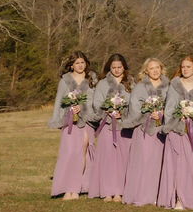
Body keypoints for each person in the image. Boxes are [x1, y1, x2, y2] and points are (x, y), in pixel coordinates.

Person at [158, 56, 193, 210]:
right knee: (176, 164)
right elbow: (169, 107)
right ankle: (178, 199)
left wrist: (192, 115)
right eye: (183, 67)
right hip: (176, 129)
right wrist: (178, 117)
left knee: (192, 165)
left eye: (188, 66)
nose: (185, 69)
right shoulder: (174, 84)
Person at [46, 51, 96, 199]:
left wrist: (83, 107)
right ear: (71, 65)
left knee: (84, 149)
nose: (80, 65)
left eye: (82, 62)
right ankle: (70, 187)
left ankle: (79, 187)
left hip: (87, 120)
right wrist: (66, 112)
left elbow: (95, 100)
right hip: (70, 122)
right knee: (70, 153)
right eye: (77, 63)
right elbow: (59, 101)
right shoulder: (65, 81)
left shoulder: (92, 79)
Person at [87, 53, 134, 202]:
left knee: (123, 159)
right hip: (107, 125)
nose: (117, 70)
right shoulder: (102, 83)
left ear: (124, 67)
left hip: (124, 127)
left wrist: (124, 113)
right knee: (107, 159)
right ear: (109, 67)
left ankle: (120, 192)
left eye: (119, 67)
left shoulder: (131, 82)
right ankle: (107, 191)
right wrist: (106, 109)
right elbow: (96, 102)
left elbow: (135, 103)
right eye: (113, 67)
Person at [122, 58, 169, 207]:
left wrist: (162, 114)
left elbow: (173, 105)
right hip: (143, 129)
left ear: (161, 69)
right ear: (145, 71)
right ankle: (140, 194)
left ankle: (157, 195)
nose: (155, 71)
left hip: (162, 129)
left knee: (159, 162)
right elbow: (134, 108)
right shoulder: (140, 87)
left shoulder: (170, 86)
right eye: (151, 68)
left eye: (157, 67)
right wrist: (148, 114)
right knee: (143, 161)